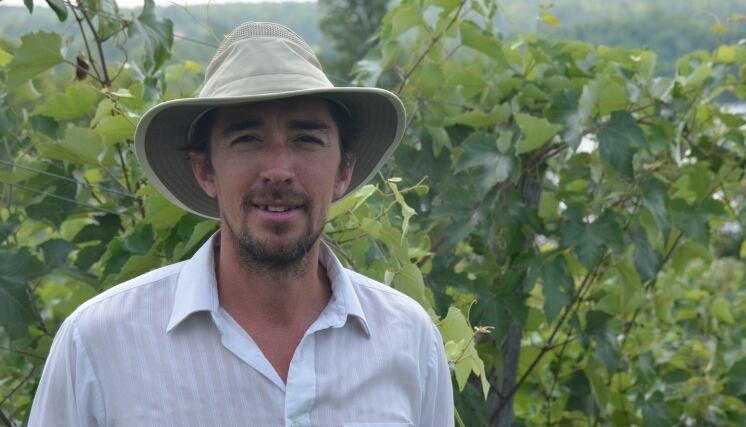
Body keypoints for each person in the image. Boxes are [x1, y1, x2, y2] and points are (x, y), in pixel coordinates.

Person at [28, 22, 454, 426]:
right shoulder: (99, 342)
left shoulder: (409, 339)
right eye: (246, 139)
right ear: (205, 170)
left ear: (344, 169)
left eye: (306, 139)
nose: (278, 171)